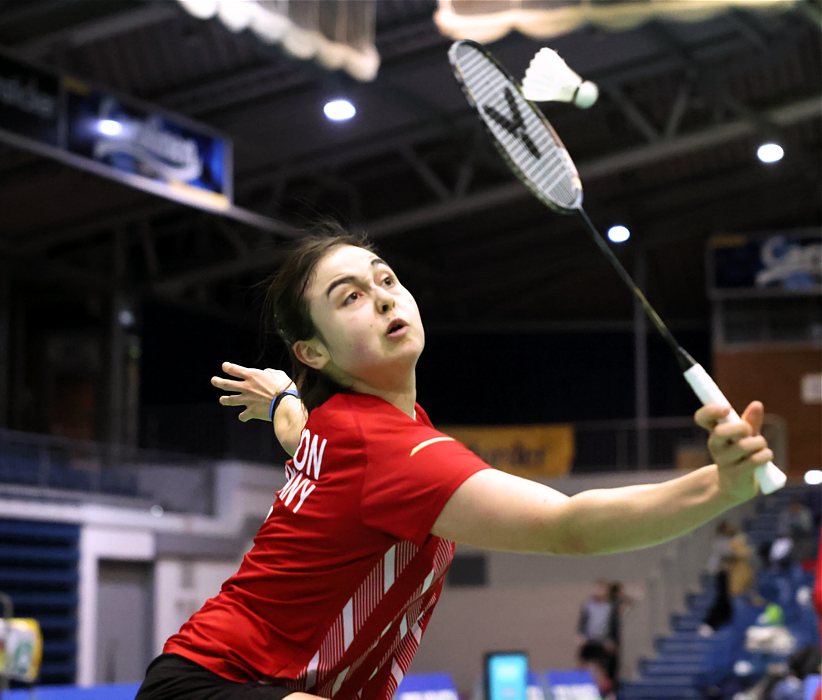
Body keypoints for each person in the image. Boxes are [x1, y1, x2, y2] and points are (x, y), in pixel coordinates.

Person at [136, 228, 776, 700]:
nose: (384, 299)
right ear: (313, 350)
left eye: (385, 279)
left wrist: (281, 397)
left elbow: (296, 431)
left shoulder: (340, 429)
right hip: (216, 684)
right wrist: (722, 486)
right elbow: (570, 526)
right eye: (349, 297)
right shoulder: (387, 448)